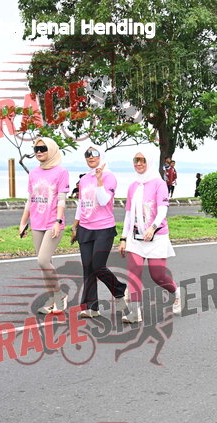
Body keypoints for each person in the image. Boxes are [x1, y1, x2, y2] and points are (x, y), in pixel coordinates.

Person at [119, 151, 181, 332]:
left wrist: (152, 227)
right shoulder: (133, 186)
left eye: (142, 160)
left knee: (157, 275)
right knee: (133, 273)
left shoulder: (159, 184)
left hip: (156, 236)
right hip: (136, 238)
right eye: (136, 160)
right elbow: (128, 215)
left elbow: (162, 210)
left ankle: (177, 293)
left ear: (150, 161)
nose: (138, 163)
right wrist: (123, 237)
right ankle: (135, 312)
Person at [70, 147, 128, 319]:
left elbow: (103, 201)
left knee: (98, 266)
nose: (90, 157)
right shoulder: (84, 179)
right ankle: (91, 307)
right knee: (88, 268)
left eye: (94, 154)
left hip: (104, 228)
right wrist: (75, 227)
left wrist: (99, 179)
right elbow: (81, 204)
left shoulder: (109, 177)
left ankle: (119, 289)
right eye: (87, 155)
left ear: (101, 156)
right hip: (85, 228)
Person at [18, 137, 70, 314]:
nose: (39, 152)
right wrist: (23, 222)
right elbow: (30, 200)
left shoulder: (61, 172)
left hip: (52, 223)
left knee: (43, 260)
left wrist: (58, 221)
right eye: (36, 149)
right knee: (44, 264)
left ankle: (60, 295)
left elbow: (62, 200)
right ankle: (53, 299)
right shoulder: (33, 173)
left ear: (52, 150)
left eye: (43, 148)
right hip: (37, 223)